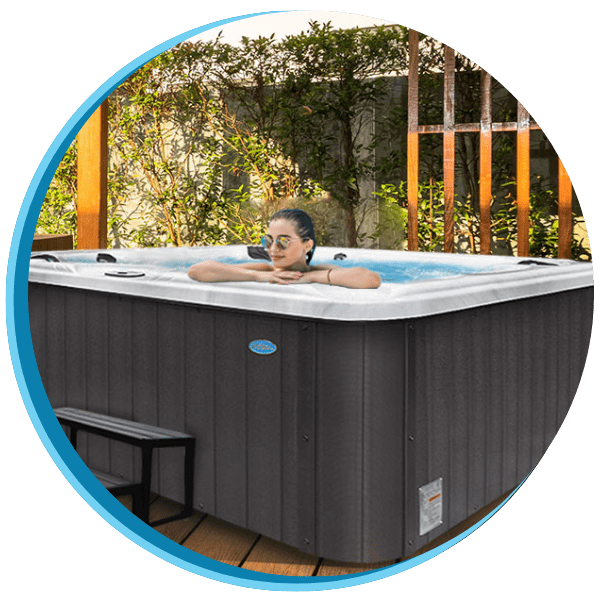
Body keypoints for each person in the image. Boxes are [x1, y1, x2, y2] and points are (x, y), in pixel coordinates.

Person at [187, 208, 381, 289]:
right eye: (268, 241)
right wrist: (259, 277)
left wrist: (309, 277)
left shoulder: (318, 269)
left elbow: (371, 279)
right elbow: (197, 270)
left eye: (283, 241)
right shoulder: (266, 270)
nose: (273, 249)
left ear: (307, 245)